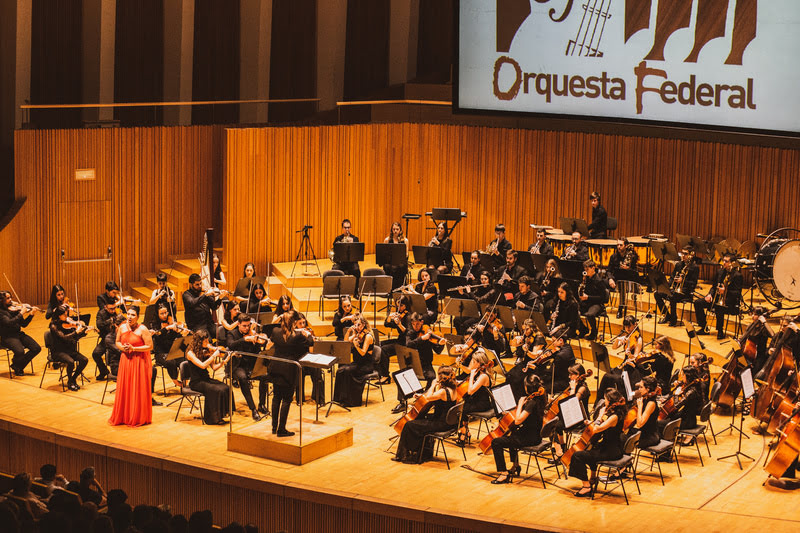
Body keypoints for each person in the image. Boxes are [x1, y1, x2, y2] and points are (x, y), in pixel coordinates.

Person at [392, 365, 458, 464]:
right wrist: (422, 395)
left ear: (440, 377)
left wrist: (433, 385)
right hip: (448, 421)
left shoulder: (443, 391)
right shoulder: (453, 388)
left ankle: (408, 455)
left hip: (441, 424)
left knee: (410, 424)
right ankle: (423, 452)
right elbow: (432, 397)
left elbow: (430, 397)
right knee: (421, 419)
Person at [569, 389, 628, 497]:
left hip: (611, 451)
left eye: (605, 399)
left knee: (577, 456)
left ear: (611, 402)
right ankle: (593, 477)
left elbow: (597, 429)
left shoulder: (614, 417)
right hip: (612, 447)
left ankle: (586, 487)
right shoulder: (616, 413)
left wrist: (600, 416)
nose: (604, 401)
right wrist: (592, 422)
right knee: (591, 449)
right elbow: (602, 427)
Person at [490, 374, 547, 484]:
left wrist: (520, 404)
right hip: (534, 434)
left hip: (530, 438)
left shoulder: (532, 402)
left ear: (527, 388)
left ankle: (503, 474)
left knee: (496, 442)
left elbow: (518, 421)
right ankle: (515, 466)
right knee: (513, 432)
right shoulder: (540, 398)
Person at [391, 313, 447, 413]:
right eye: (413, 324)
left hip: (426, 365)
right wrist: (422, 338)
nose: (415, 327)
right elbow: (408, 344)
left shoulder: (428, 332)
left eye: (417, 324)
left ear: (422, 322)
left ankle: (425, 399)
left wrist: (440, 344)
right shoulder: (410, 332)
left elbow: (437, 351)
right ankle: (402, 403)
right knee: (401, 375)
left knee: (433, 377)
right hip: (413, 364)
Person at [269, 312, 313, 436]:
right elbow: (310, 343)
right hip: (289, 370)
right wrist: (307, 334)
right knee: (287, 399)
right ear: (293, 323)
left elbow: (271, 342)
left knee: (276, 397)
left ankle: (274, 427)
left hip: (276, 367)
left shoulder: (275, 331)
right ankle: (281, 429)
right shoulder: (297, 336)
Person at [109, 307, 154, 426]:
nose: (129, 317)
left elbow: (149, 346)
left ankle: (137, 416)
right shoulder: (122, 327)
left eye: (133, 315)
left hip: (139, 361)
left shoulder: (143, 329)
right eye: (128, 314)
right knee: (126, 387)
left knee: (137, 388)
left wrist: (134, 348)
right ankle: (124, 416)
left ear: (138, 317)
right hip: (125, 361)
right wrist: (122, 348)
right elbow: (117, 341)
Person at [226, 314, 270, 420]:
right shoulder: (231, 334)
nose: (247, 328)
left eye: (248, 325)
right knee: (243, 378)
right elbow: (231, 345)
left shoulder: (252, 334)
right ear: (239, 325)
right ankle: (253, 409)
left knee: (264, 376)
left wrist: (261, 344)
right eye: (244, 326)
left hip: (250, 365)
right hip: (236, 366)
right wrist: (245, 340)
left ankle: (261, 404)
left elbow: (256, 352)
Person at [185, 330, 232, 425]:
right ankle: (213, 419)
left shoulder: (206, 350)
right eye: (205, 341)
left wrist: (224, 361)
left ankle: (222, 414)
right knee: (216, 390)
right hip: (196, 382)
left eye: (207, 341)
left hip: (206, 379)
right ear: (199, 341)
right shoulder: (190, 353)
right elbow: (202, 365)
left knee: (225, 387)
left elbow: (214, 368)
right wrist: (214, 355)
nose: (208, 343)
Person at [694, 253, 743, 339]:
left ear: (733, 263)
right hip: (717, 298)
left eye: (726, 261)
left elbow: (737, 293)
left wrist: (725, 291)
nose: (724, 263)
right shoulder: (720, 272)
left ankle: (720, 331)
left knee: (719, 307)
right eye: (723, 261)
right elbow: (714, 286)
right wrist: (709, 295)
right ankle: (703, 327)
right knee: (698, 303)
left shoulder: (737, 275)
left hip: (730, 302)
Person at [332, 315, 375, 407]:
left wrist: (356, 345)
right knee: (340, 370)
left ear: (363, 325)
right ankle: (338, 399)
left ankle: (349, 401)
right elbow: (345, 342)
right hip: (357, 363)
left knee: (347, 371)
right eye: (355, 325)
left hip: (365, 365)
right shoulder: (357, 334)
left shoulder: (368, 336)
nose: (357, 327)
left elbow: (363, 353)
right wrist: (349, 331)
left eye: (358, 325)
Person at [455, 350, 493, 446]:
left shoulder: (483, 376)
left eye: (472, 361)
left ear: (478, 363)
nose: (471, 363)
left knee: (463, 408)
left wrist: (471, 374)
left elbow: (470, 391)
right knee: (464, 404)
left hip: (482, 404)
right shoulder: (478, 372)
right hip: (475, 401)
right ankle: (465, 432)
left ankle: (463, 433)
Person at [48, 304, 90, 391]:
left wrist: (84, 332)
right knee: (71, 362)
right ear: (59, 315)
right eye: (64, 315)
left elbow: (74, 338)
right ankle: (70, 382)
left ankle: (73, 379)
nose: (67, 317)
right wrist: (76, 332)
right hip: (58, 351)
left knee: (84, 360)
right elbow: (64, 337)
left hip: (69, 349)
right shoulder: (53, 326)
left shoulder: (68, 323)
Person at [654, 247, 698, 326]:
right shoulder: (679, 264)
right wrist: (668, 286)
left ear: (690, 255)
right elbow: (672, 278)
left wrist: (683, 281)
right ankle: (667, 315)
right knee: (657, 293)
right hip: (674, 290)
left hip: (686, 292)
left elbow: (693, 284)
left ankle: (673, 319)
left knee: (672, 296)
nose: (683, 255)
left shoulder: (694, 267)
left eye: (685, 254)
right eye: (682, 253)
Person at [0, 290, 41, 376]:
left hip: (18, 334)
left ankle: (17, 366)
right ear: (1, 300)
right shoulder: (1, 312)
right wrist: (21, 313)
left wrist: (31, 315)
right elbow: (9, 323)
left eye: (10, 297)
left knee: (36, 348)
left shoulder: (14, 309)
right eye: (8, 298)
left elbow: (24, 324)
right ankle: (17, 365)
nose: (10, 300)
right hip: (8, 337)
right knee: (20, 351)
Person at [149, 304, 188, 392]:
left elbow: (175, 338)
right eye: (161, 313)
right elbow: (157, 335)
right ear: (157, 314)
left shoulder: (172, 321)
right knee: (171, 362)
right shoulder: (154, 325)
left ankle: (185, 384)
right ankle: (177, 382)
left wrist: (181, 333)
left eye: (166, 312)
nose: (164, 315)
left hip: (172, 351)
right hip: (161, 353)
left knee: (184, 360)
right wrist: (167, 328)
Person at [378, 295, 411, 383]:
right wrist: (389, 317)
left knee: (384, 350)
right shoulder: (400, 315)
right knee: (379, 344)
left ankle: (385, 376)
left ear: (406, 305)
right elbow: (387, 324)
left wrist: (399, 324)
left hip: (406, 343)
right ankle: (377, 372)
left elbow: (408, 333)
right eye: (397, 306)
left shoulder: (409, 316)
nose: (399, 308)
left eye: (401, 306)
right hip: (400, 340)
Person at [183, 273, 224, 337]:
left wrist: (220, 298)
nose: (199, 286)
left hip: (209, 324)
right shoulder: (186, 295)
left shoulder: (204, 293)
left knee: (222, 335)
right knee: (207, 339)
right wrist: (206, 294)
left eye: (200, 283)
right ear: (191, 285)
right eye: (197, 284)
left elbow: (214, 307)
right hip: (198, 326)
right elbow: (192, 303)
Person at [576, 260, 608, 341]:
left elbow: (602, 298)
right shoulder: (586, 279)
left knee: (590, 314)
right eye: (585, 270)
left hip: (597, 304)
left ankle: (594, 332)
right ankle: (583, 329)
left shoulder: (599, 281)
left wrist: (588, 297)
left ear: (593, 268)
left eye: (587, 270)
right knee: (573, 309)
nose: (585, 272)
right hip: (588, 302)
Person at [628, 376, 661, 449]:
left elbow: (640, 424)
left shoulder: (651, 403)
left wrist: (640, 407)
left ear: (648, 389)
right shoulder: (645, 398)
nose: (639, 389)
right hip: (642, 432)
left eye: (641, 387)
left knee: (624, 440)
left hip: (649, 437)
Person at [332, 219, 361, 292]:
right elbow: (334, 251)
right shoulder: (338, 238)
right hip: (341, 263)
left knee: (357, 270)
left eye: (348, 227)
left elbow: (357, 252)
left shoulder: (355, 239)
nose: (347, 229)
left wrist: (352, 244)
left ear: (350, 228)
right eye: (345, 228)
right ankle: (336, 290)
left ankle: (356, 291)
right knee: (334, 270)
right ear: (342, 228)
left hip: (351, 263)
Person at [91, 300, 117, 380]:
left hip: (117, 339)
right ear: (105, 307)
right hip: (106, 339)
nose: (113, 310)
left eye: (114, 308)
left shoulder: (117, 312)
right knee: (95, 354)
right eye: (111, 309)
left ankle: (116, 373)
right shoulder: (101, 313)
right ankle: (104, 371)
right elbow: (99, 325)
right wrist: (110, 321)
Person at [383, 221, 409, 289]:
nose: (395, 231)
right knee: (387, 266)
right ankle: (389, 288)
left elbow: (406, 254)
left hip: (400, 261)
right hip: (390, 261)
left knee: (400, 267)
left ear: (400, 230)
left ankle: (400, 288)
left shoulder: (405, 240)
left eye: (397, 229)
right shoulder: (387, 240)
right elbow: (384, 253)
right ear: (391, 230)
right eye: (394, 229)